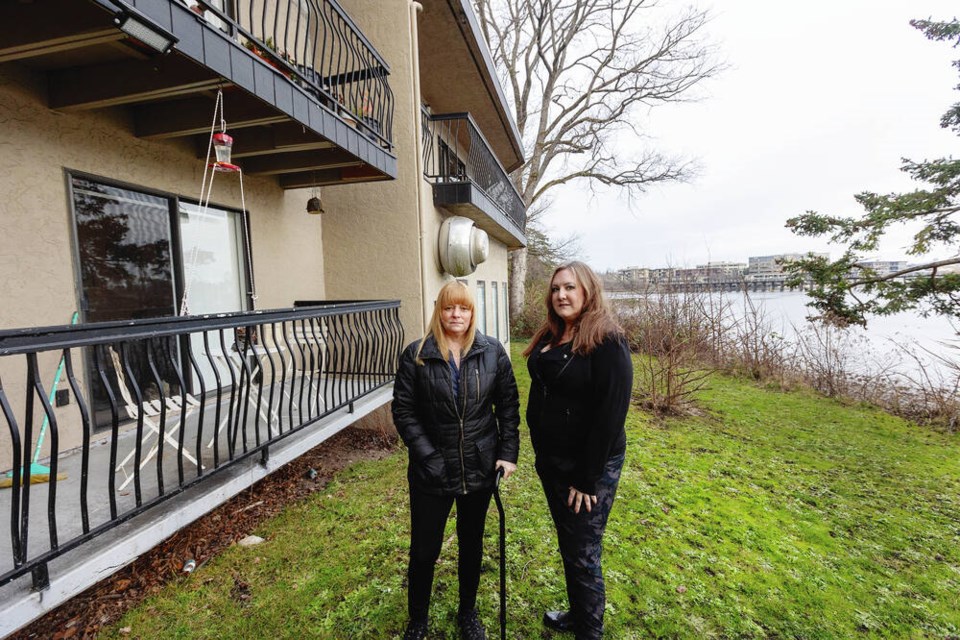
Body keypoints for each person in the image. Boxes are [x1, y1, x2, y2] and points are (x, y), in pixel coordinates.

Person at [392, 280, 521, 640]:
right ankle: (417, 621)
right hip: (432, 470)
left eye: (463, 308)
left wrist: (507, 454)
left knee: (471, 544)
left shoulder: (492, 352)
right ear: (439, 310)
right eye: (450, 307)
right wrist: (427, 456)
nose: (456, 315)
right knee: (423, 550)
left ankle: (468, 614)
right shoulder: (416, 353)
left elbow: (508, 407)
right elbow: (403, 411)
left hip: (479, 466)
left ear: (472, 312)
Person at [523, 261, 633, 640]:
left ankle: (590, 631)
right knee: (569, 544)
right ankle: (578, 612)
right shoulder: (552, 333)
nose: (561, 296)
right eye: (555, 289)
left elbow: (610, 415)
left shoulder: (607, 341)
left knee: (584, 554)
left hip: (589, 466)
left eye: (569, 288)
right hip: (552, 462)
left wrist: (587, 480)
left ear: (588, 291)